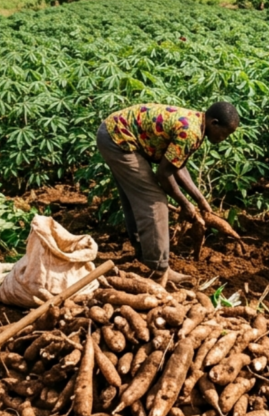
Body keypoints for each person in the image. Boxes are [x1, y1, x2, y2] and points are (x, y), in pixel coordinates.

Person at [97, 102, 240, 283]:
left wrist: (200, 200)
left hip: (113, 133)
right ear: (214, 123)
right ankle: (159, 269)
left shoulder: (196, 124)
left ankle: (142, 251)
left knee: (135, 195)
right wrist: (185, 204)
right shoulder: (190, 132)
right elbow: (164, 174)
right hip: (117, 139)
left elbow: (177, 166)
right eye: (225, 133)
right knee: (154, 199)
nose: (224, 138)